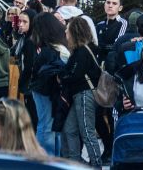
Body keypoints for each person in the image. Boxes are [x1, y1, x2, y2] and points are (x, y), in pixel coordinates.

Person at [59, 16, 102, 168]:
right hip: (81, 94)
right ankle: (75, 162)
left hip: (85, 94)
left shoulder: (82, 52)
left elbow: (74, 75)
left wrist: (61, 76)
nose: (65, 32)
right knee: (69, 129)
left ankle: (96, 165)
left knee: (87, 132)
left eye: (67, 30)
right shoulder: (82, 50)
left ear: (74, 32)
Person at [29, 12, 70, 156]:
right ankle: (47, 159)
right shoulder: (57, 48)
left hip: (45, 90)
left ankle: (53, 158)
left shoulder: (48, 48)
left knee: (50, 125)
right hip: (46, 90)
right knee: (47, 125)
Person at [94, 0, 127, 161]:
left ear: (120, 7)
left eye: (114, 3)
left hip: (114, 75)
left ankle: (113, 151)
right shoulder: (99, 24)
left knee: (113, 112)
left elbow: (116, 45)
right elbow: (96, 46)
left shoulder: (123, 24)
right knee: (97, 113)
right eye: (108, 2)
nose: (110, 5)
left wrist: (103, 47)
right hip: (100, 75)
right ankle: (107, 147)